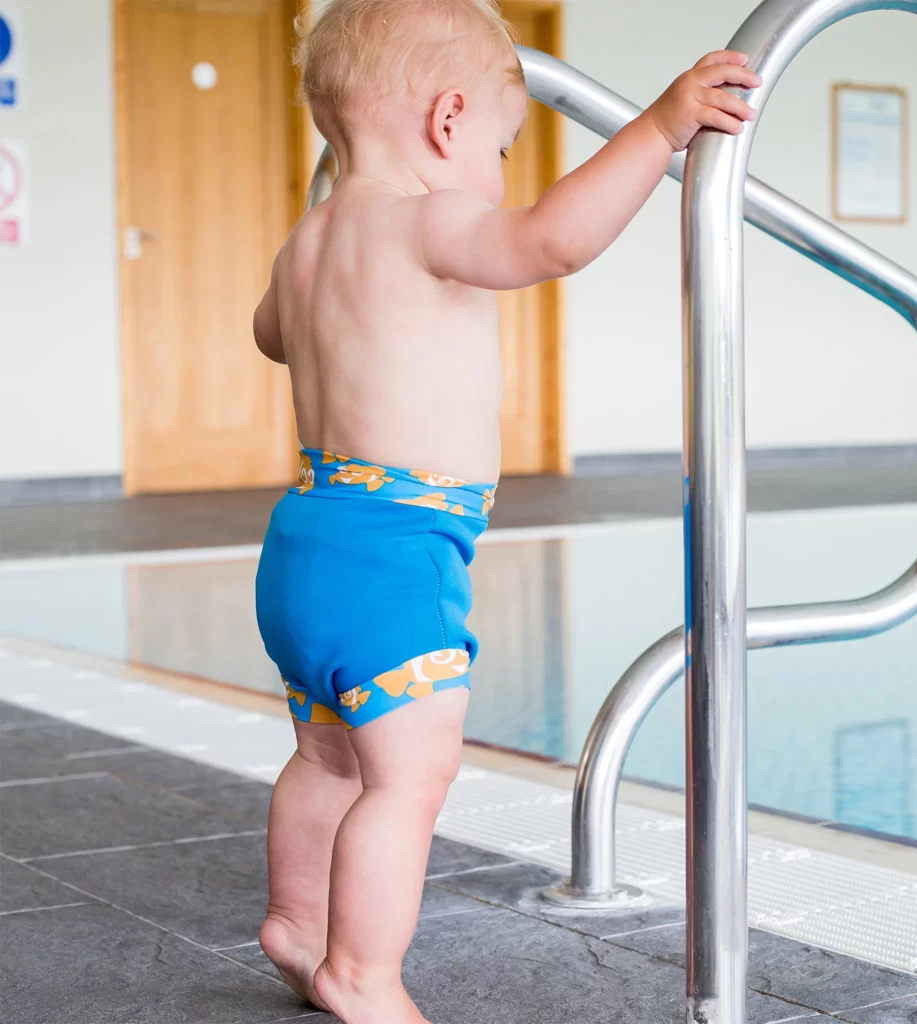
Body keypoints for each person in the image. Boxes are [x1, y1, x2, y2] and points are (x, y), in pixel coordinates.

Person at [251, 1, 760, 1020]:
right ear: (447, 122)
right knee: (408, 778)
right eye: (502, 143)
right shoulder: (429, 220)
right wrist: (657, 128)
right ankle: (362, 970)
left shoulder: (309, 241)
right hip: (397, 550)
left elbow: (271, 336)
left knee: (324, 755)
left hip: (306, 537)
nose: (498, 169)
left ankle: (298, 922)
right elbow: (551, 241)